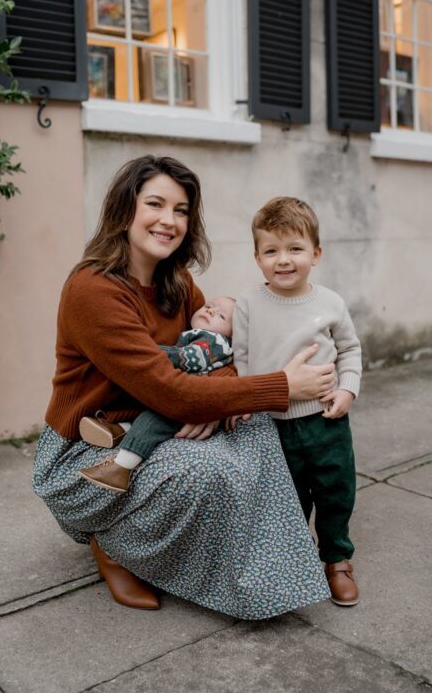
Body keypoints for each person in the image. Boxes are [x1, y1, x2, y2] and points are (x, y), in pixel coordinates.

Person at [33, 154, 336, 618]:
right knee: (203, 470)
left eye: (181, 210)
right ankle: (114, 542)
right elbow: (170, 391)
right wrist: (281, 385)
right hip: (91, 451)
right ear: (125, 209)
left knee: (252, 429)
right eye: (156, 204)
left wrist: (220, 401)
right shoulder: (92, 290)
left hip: (156, 422)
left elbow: (219, 355)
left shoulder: (178, 281)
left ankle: (270, 574)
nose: (169, 220)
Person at [233, 196, 362, 606]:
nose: (283, 260)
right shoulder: (249, 305)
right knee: (288, 497)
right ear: (257, 258)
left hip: (326, 421)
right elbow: (242, 361)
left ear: (316, 253)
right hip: (274, 425)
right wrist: (246, 404)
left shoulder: (330, 303)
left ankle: (337, 559)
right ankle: (298, 557)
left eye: (294, 249)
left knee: (335, 491)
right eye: (271, 251)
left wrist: (347, 389)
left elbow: (350, 350)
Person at [76, 296, 237, 492]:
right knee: (146, 405)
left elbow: (187, 359)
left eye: (221, 316)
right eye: (209, 306)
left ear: (233, 333)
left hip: (189, 402)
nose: (210, 311)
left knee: (153, 421)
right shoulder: (195, 333)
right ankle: (120, 430)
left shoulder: (217, 342)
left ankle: (120, 468)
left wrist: (148, 351)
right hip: (176, 392)